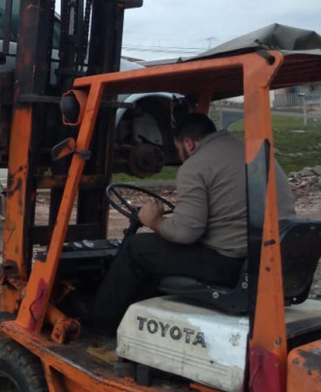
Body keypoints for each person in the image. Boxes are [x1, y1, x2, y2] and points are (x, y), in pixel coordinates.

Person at [89, 113, 296, 333]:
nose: (181, 157)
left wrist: (153, 220)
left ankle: (100, 322)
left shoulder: (196, 165)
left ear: (189, 144)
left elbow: (185, 233)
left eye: (179, 150)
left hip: (234, 264)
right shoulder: (255, 153)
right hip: (270, 258)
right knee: (159, 253)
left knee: (136, 249)